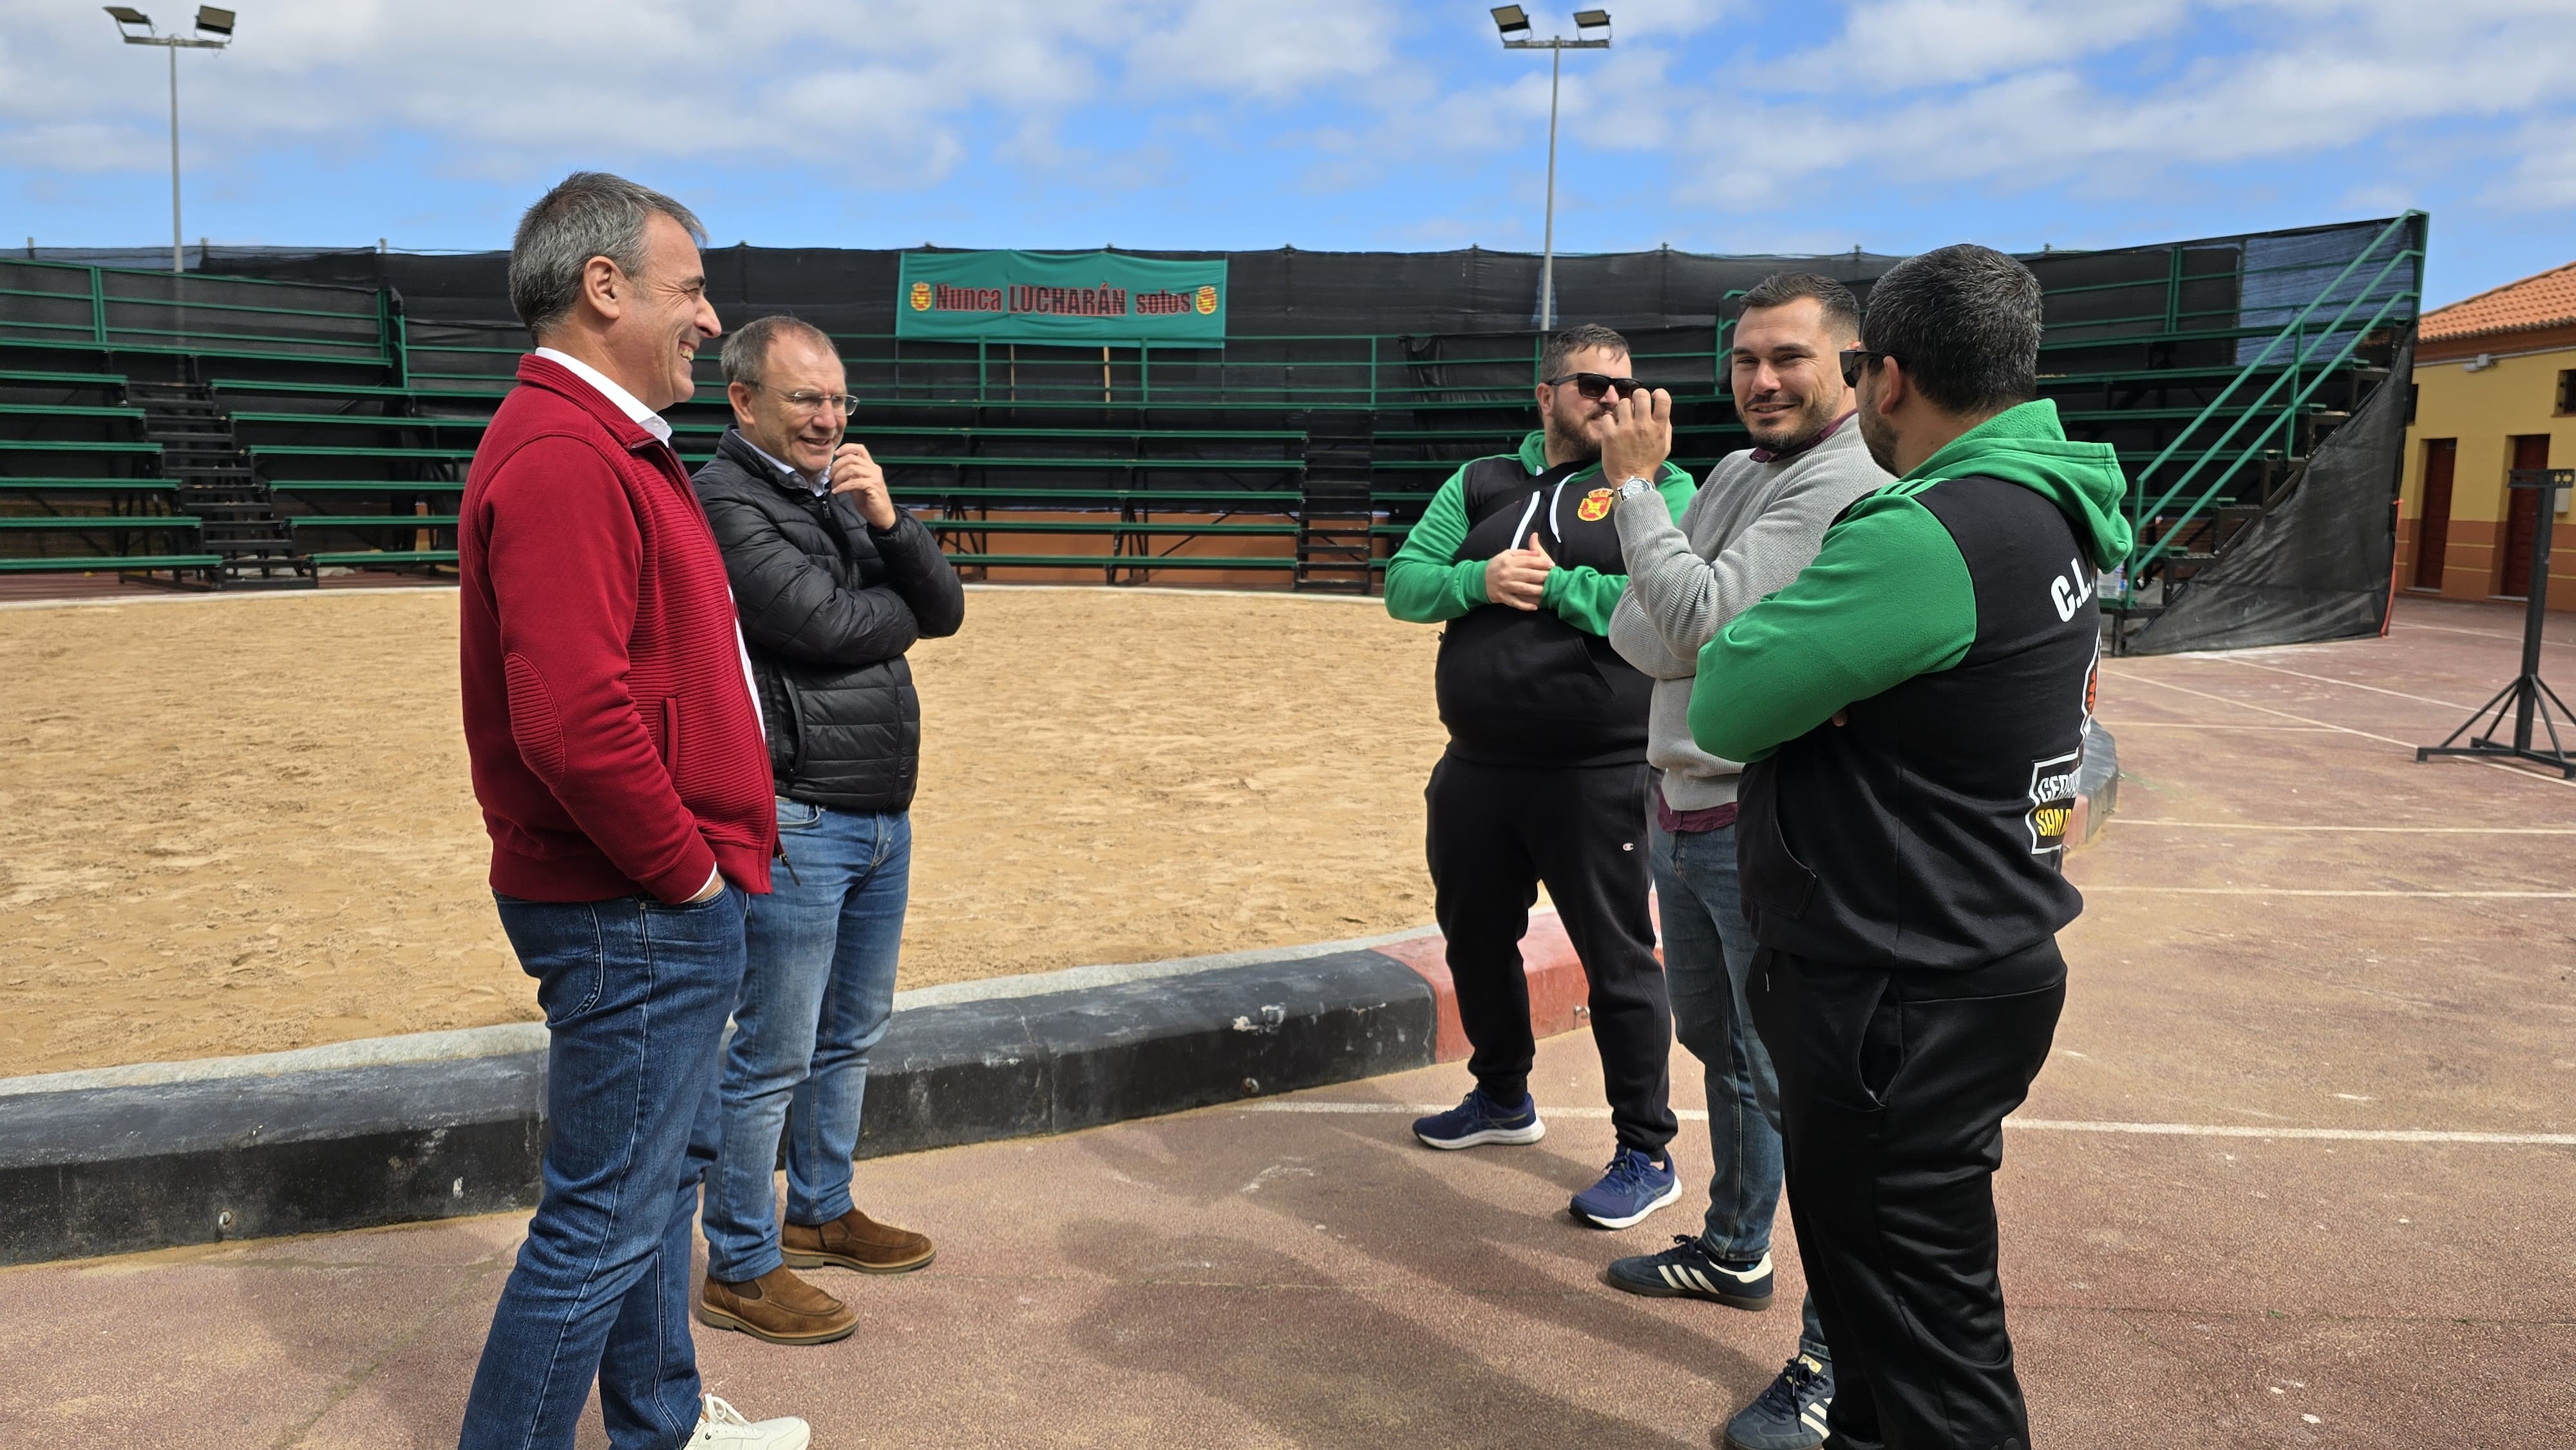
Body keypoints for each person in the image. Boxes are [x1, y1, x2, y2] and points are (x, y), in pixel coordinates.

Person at [1692, 244, 2131, 1450]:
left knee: (1931, 1344)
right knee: (1884, 1322)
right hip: (1964, 955)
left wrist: (1803, 673)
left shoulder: (1933, 529)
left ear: (1885, 379)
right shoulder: (2052, 498)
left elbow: (1725, 694)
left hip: (1897, 986)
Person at [455, 173, 806, 1449]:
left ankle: (658, 1427)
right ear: (605, 288)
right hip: (630, 900)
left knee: (647, 1195)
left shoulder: (596, 441)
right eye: (690, 288)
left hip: (640, 894)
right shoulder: (562, 452)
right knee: (601, 1220)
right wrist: (687, 874)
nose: (709, 320)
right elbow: (571, 723)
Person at [1590, 274, 1890, 1450]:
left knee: (1802, 1089)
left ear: (1854, 367)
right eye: (1745, 361)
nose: (1762, 382)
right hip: (1680, 805)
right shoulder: (1729, 474)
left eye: (1789, 360)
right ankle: (1734, 1247)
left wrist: (1632, 497)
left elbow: (1703, 626)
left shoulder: (1843, 480)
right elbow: (1640, 627)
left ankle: (1836, 1353)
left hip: (1764, 819)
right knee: (1725, 1052)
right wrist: (1679, 593)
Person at [1383, 323, 1698, 1229]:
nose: (1613, 401)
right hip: (1477, 764)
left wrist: (1558, 587)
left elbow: (1667, 607)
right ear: (1547, 394)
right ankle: (1503, 1097)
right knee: (1475, 938)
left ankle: (1646, 1149)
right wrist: (1480, 580)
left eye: (1626, 388)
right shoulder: (1483, 480)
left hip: (1596, 772)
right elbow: (1406, 582)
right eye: (1594, 385)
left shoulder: (1658, 486)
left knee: (1619, 960)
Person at [691, 314, 964, 1344]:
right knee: (772, 1051)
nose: (828, 417)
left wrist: (892, 527)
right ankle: (743, 1264)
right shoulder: (723, 498)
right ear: (744, 402)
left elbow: (943, 608)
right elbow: (829, 627)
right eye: (805, 398)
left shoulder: (843, 495)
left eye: (839, 398)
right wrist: (892, 600)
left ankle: (820, 1210)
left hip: (880, 810)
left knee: (851, 1033)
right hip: (800, 811)